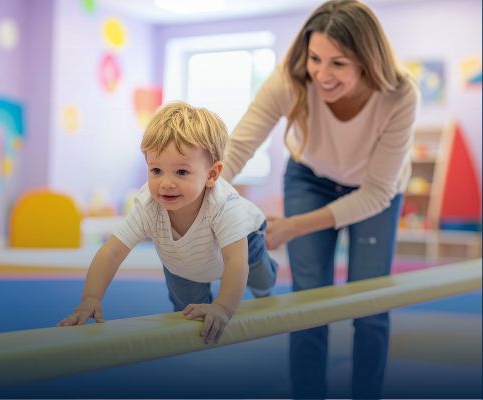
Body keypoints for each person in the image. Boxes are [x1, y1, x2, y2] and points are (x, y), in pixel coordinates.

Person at [221, 0, 420, 398]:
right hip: (310, 176)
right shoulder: (291, 79)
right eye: (315, 58)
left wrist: (294, 226)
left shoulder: (399, 94)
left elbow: (377, 192)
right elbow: (240, 145)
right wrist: (202, 193)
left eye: (338, 63)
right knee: (309, 302)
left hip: (375, 191)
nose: (322, 74)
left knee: (370, 303)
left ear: (366, 61)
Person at [57, 101, 278, 346]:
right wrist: (90, 298)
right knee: (188, 316)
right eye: (156, 170)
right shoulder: (148, 204)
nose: (166, 183)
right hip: (182, 262)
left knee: (262, 282)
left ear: (212, 175)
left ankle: (268, 269)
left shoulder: (224, 204)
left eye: (181, 172)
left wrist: (223, 308)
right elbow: (112, 251)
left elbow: (236, 261)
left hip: (247, 242)